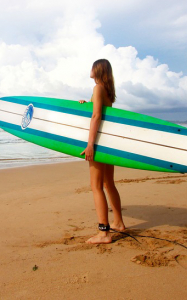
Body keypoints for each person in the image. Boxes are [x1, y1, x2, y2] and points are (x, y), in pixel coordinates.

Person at [79, 59, 125, 244]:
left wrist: (90, 145)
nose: (89, 70)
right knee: (109, 184)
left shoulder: (98, 88)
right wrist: (85, 104)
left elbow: (97, 116)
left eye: (92, 67)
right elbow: (98, 111)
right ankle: (119, 223)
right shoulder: (106, 90)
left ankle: (104, 232)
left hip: (98, 142)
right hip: (108, 143)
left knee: (96, 186)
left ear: (97, 70)